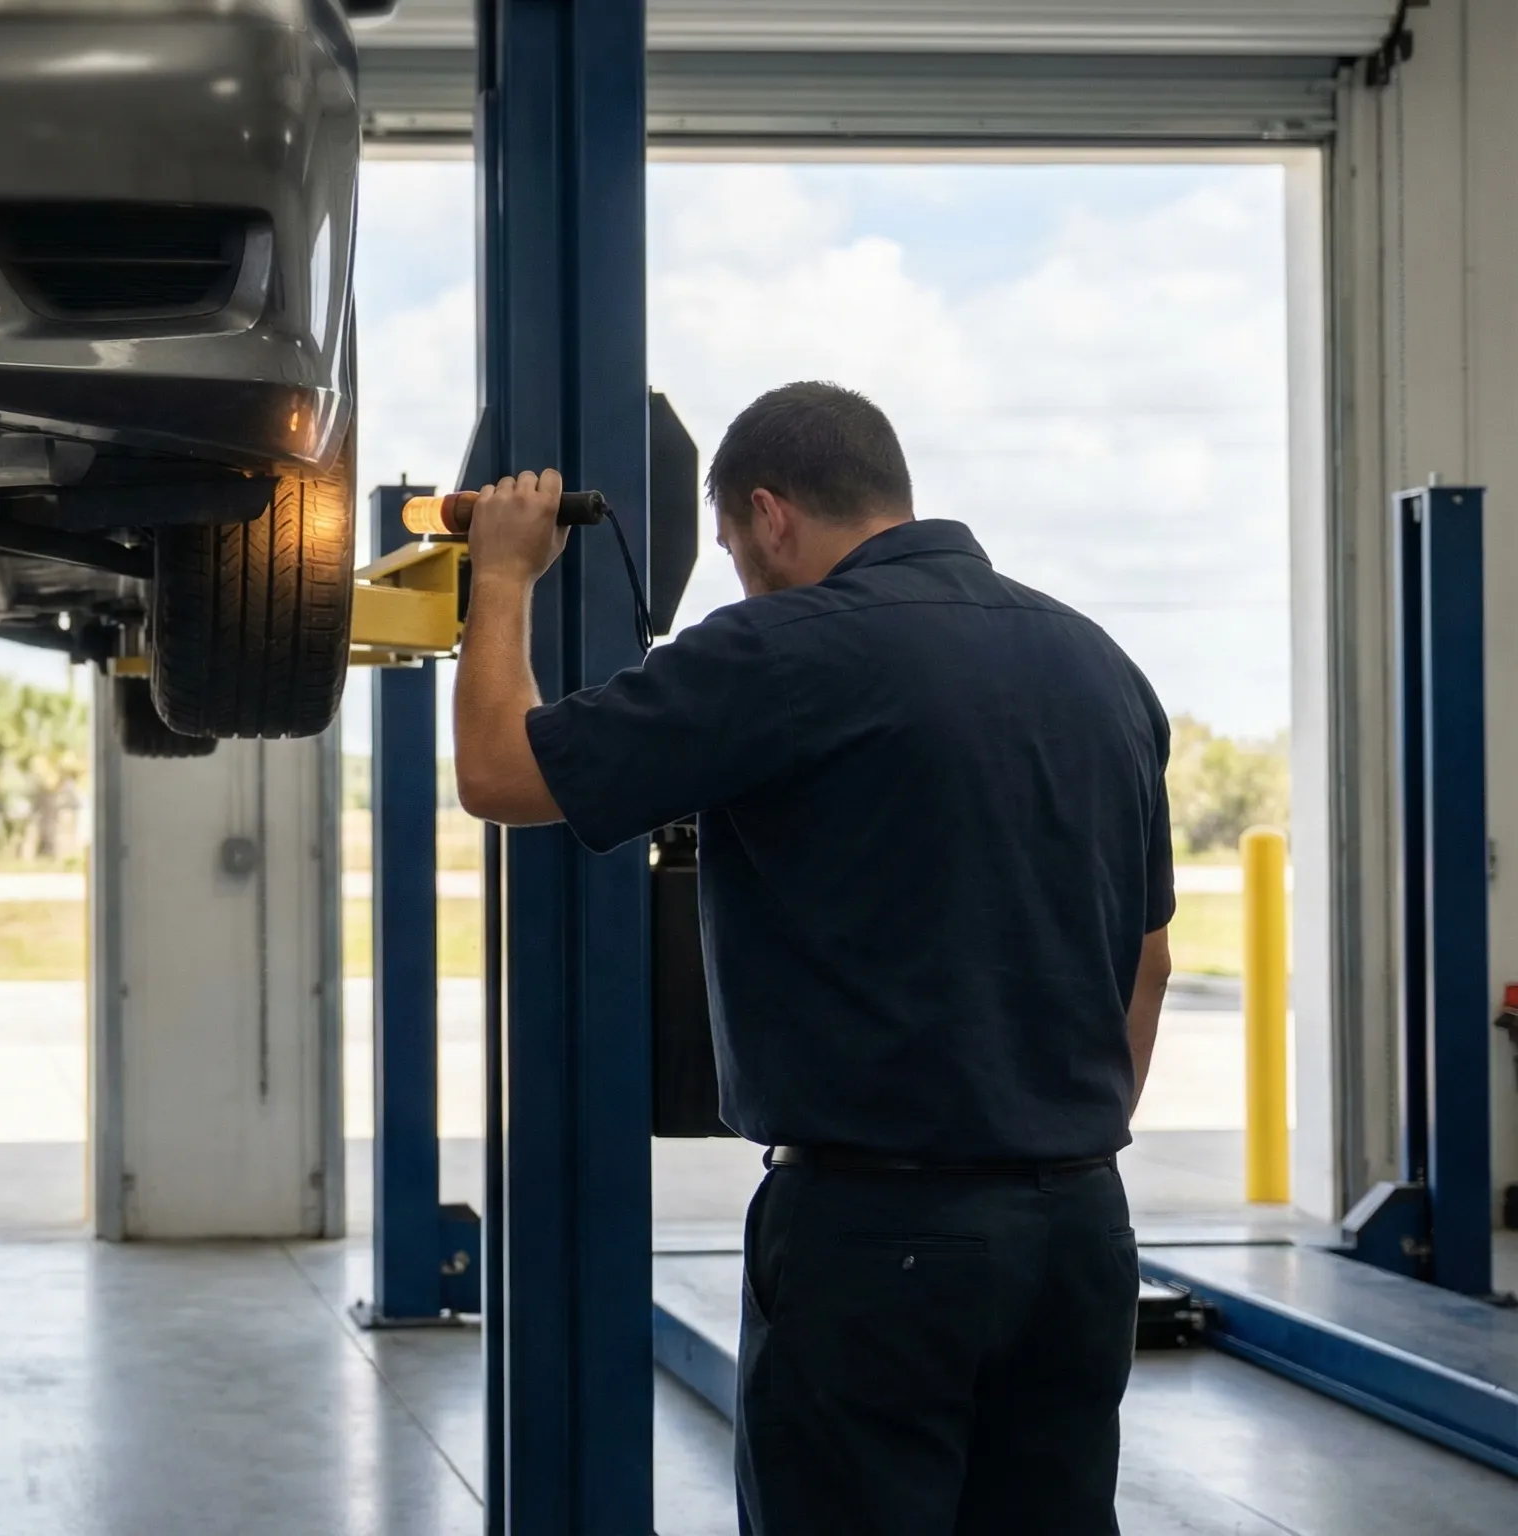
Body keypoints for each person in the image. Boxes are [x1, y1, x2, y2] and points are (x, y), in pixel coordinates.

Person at [452, 382, 1175, 1536]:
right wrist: (1045, 1147)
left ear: (770, 515)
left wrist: (499, 579)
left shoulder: (784, 650)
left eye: (734, 548)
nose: (740, 573)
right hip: (1081, 1233)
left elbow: (497, 771)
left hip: (875, 1240)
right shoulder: (1096, 663)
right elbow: (1149, 959)